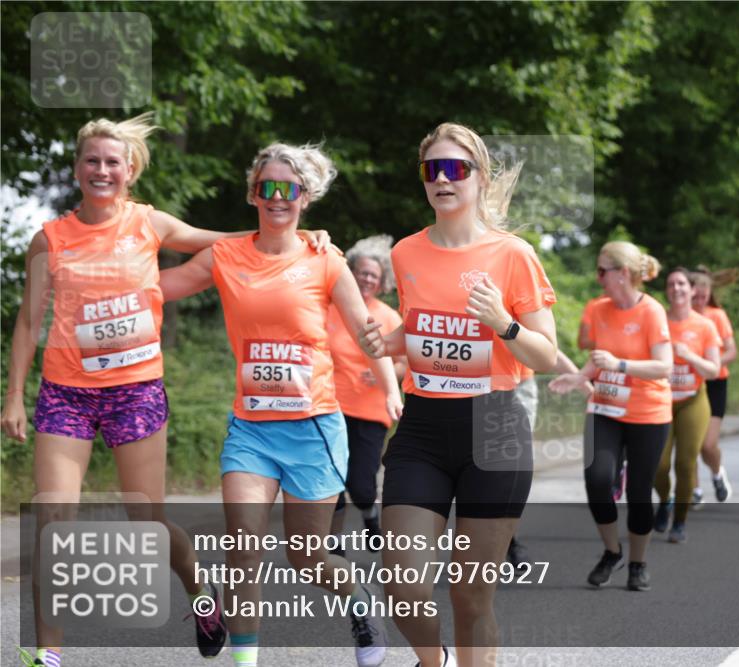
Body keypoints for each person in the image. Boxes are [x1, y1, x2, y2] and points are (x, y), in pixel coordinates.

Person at [1, 114, 322, 667]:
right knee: (53, 520)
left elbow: (227, 242)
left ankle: (199, 591)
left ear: (130, 171)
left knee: (146, 521)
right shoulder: (49, 238)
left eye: (112, 162)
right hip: (66, 393)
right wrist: (13, 397)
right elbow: (29, 322)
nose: (102, 170)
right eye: (92, 160)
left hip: (136, 391)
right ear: (77, 169)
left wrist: (298, 238)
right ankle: (48, 654)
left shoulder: (148, 223)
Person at [160, 142, 400, 667]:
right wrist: (103, 270)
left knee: (307, 556)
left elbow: (366, 327)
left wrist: (390, 385)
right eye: (266, 187)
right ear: (252, 194)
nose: (276, 197)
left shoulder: (324, 259)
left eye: (288, 189)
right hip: (251, 430)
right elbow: (159, 287)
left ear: (304, 198)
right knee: (243, 545)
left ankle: (358, 600)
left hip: (313, 429)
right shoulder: (226, 256)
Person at [358, 123, 558, 667]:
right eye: (432, 170)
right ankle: (437, 661)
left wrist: (503, 323)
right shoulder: (406, 253)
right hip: (422, 430)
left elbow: (545, 354)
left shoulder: (513, 255)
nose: (442, 180)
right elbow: (422, 327)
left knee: (470, 598)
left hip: (494, 429)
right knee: (403, 587)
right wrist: (389, 341)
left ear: (480, 177)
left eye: (455, 169)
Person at [549, 241, 672, 589]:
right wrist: (579, 377)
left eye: (603, 270)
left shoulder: (652, 311)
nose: (598, 277)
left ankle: (638, 563)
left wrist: (621, 365)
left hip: (648, 413)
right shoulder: (598, 309)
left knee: (638, 491)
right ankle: (612, 551)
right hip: (605, 407)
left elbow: (664, 367)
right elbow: (598, 358)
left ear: (623, 274)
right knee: (597, 479)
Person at [327, 235, 406, 554]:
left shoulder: (388, 317)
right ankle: (334, 542)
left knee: (360, 485)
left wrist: (382, 374)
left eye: (373, 275)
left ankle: (370, 512)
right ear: (352, 273)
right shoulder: (331, 308)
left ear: (382, 281)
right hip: (329, 407)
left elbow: (404, 363)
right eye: (361, 272)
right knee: (331, 480)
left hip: (371, 411)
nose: (366, 279)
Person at [653, 268, 720, 544]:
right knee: (658, 465)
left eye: (681, 283)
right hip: (660, 401)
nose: (676, 288)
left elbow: (713, 370)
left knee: (684, 463)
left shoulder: (705, 326)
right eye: (671, 284)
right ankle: (665, 501)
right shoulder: (657, 321)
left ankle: (679, 521)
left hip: (693, 401)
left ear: (692, 290)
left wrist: (689, 356)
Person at [689, 266, 738, 505]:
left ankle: (718, 474)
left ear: (710, 293)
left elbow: (731, 351)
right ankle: (694, 490)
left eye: (704, 294)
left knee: (708, 445)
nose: (700, 299)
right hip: (689, 383)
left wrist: (712, 363)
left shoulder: (717, 316)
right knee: (690, 442)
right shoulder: (682, 316)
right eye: (696, 294)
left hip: (715, 382)